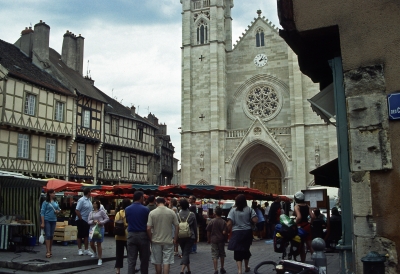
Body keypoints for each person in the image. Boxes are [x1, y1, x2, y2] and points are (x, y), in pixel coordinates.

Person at [227, 194, 258, 274]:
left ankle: (239, 270)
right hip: (247, 232)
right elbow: (255, 220)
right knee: (245, 249)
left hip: (236, 232)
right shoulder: (249, 209)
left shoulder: (233, 210)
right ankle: (246, 267)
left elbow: (230, 223)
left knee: (237, 251)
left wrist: (225, 231)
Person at [147, 197, 179, 274]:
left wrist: (150, 238)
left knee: (157, 262)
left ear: (156, 203)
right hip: (168, 241)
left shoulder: (152, 213)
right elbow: (177, 226)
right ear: (165, 202)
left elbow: (148, 228)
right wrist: (175, 238)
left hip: (156, 240)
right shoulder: (171, 212)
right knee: (166, 262)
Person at [126, 191, 151, 274]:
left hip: (131, 235)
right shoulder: (145, 209)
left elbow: (127, 221)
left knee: (131, 260)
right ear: (141, 198)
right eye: (143, 197)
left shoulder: (127, 209)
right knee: (144, 259)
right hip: (143, 235)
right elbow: (148, 223)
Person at [176, 198, 197, 274]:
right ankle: (182, 271)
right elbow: (194, 227)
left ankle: (188, 270)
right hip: (190, 236)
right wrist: (196, 238)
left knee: (185, 252)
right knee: (186, 252)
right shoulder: (192, 214)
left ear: (181, 206)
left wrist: (176, 237)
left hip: (180, 236)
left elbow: (176, 226)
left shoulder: (178, 215)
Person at [294, 191, 315, 262]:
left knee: (301, 245)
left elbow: (299, 217)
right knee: (310, 245)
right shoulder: (307, 206)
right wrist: (310, 223)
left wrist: (294, 223)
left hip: (300, 227)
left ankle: (303, 261)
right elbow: (312, 216)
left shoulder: (297, 206)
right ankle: (316, 260)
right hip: (307, 226)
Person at [40, 189, 61, 258]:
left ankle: (50, 249)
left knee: (51, 235)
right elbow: (42, 212)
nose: (54, 194)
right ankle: (48, 251)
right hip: (47, 219)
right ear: (50, 194)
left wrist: (58, 211)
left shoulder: (56, 202)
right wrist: (42, 222)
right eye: (53, 193)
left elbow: (59, 209)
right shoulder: (45, 202)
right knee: (48, 235)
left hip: (53, 220)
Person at [206, 206, 227, 274]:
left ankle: (215, 269)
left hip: (214, 240)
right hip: (221, 240)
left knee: (214, 255)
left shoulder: (212, 221)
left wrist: (208, 239)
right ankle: (222, 267)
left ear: (215, 213)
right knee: (222, 254)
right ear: (222, 213)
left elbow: (208, 231)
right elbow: (224, 232)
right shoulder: (223, 222)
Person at [88, 200, 109, 266]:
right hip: (92, 229)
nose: (94, 205)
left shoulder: (101, 212)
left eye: (95, 204)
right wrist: (93, 222)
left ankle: (100, 259)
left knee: (99, 243)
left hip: (100, 229)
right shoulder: (91, 212)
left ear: (98, 205)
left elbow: (107, 218)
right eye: (93, 204)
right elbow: (88, 221)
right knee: (91, 243)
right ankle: (94, 252)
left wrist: (101, 222)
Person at [114, 198, 131, 274]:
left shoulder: (118, 213)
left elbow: (115, 224)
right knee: (130, 254)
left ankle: (118, 270)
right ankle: (131, 268)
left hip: (118, 236)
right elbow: (129, 223)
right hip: (128, 236)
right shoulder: (130, 213)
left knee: (119, 254)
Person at [76, 188, 93, 256]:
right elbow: (77, 210)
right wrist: (81, 218)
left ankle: (86, 249)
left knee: (86, 235)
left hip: (87, 220)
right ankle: (79, 249)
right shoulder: (81, 200)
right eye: (90, 192)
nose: (91, 194)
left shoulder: (89, 200)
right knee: (80, 235)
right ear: (88, 193)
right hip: (81, 220)